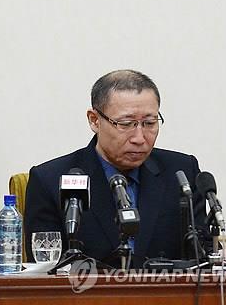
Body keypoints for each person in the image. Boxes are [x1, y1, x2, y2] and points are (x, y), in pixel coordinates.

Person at [24, 69, 209, 268]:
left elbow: (201, 255)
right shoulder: (49, 180)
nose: (139, 138)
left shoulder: (181, 172)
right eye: (126, 124)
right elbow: (44, 268)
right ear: (94, 120)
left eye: (149, 123)